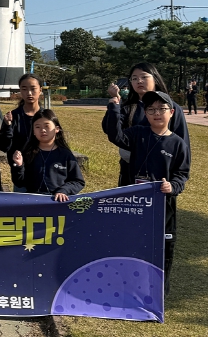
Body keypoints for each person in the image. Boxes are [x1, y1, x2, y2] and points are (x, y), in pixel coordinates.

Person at [103, 90, 190, 295]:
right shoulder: (137, 133)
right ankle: (130, 289)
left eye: (161, 109)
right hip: (136, 204)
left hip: (163, 207)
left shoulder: (178, 144)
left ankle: (159, 293)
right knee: (133, 245)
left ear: (171, 112)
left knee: (164, 248)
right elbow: (115, 135)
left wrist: (172, 187)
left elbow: (182, 174)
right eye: (151, 109)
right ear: (146, 113)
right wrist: (114, 107)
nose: (156, 113)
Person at [103, 63, 190, 186]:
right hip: (132, 171)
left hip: (162, 174)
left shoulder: (171, 107)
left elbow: (182, 143)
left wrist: (176, 182)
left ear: (155, 79)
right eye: (134, 78)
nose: (139, 81)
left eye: (144, 77)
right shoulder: (128, 107)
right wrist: (114, 106)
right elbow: (111, 131)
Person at [10, 110, 85, 201]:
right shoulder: (28, 153)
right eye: (38, 127)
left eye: (47, 126)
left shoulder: (65, 155)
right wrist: (19, 166)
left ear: (57, 129)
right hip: (33, 202)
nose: (42, 130)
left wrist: (63, 191)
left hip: (57, 203)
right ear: (33, 131)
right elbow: (19, 182)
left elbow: (78, 181)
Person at [0, 73, 43, 191]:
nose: (29, 93)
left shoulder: (46, 117)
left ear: (40, 90)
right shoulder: (12, 116)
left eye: (33, 89)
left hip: (44, 175)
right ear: (20, 91)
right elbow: (4, 146)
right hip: (21, 175)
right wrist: (8, 126)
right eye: (24, 89)